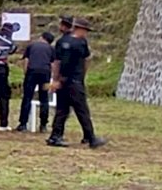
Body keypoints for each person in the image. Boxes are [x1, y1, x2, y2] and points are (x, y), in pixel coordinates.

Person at [47, 18, 107, 149]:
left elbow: (56, 62)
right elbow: (86, 60)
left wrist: (55, 79)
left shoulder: (61, 41)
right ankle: (90, 138)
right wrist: (82, 77)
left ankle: (55, 136)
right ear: (81, 29)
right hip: (75, 81)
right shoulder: (81, 43)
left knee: (62, 110)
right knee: (82, 110)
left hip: (62, 81)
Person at [15, 31, 55, 133]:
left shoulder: (32, 45)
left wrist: (26, 73)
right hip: (45, 73)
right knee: (44, 98)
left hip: (32, 71)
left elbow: (26, 61)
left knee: (27, 97)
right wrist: (52, 76)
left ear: (42, 37)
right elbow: (53, 64)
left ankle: (23, 124)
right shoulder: (51, 49)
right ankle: (43, 124)